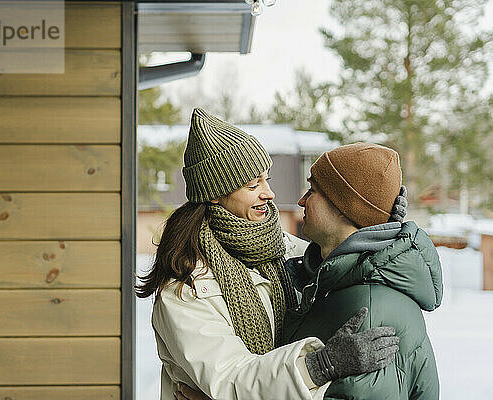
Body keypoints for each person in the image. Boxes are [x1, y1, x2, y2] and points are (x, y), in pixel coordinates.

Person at [136, 108, 402, 400]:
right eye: (253, 185)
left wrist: (378, 225)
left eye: (266, 179)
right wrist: (320, 366)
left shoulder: (284, 251)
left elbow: (343, 258)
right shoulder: (186, 288)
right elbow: (231, 379)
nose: (269, 193)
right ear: (214, 194)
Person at [281, 142, 443, 399]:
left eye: (312, 190)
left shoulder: (366, 308)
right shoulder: (341, 282)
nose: (301, 200)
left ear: (344, 207)